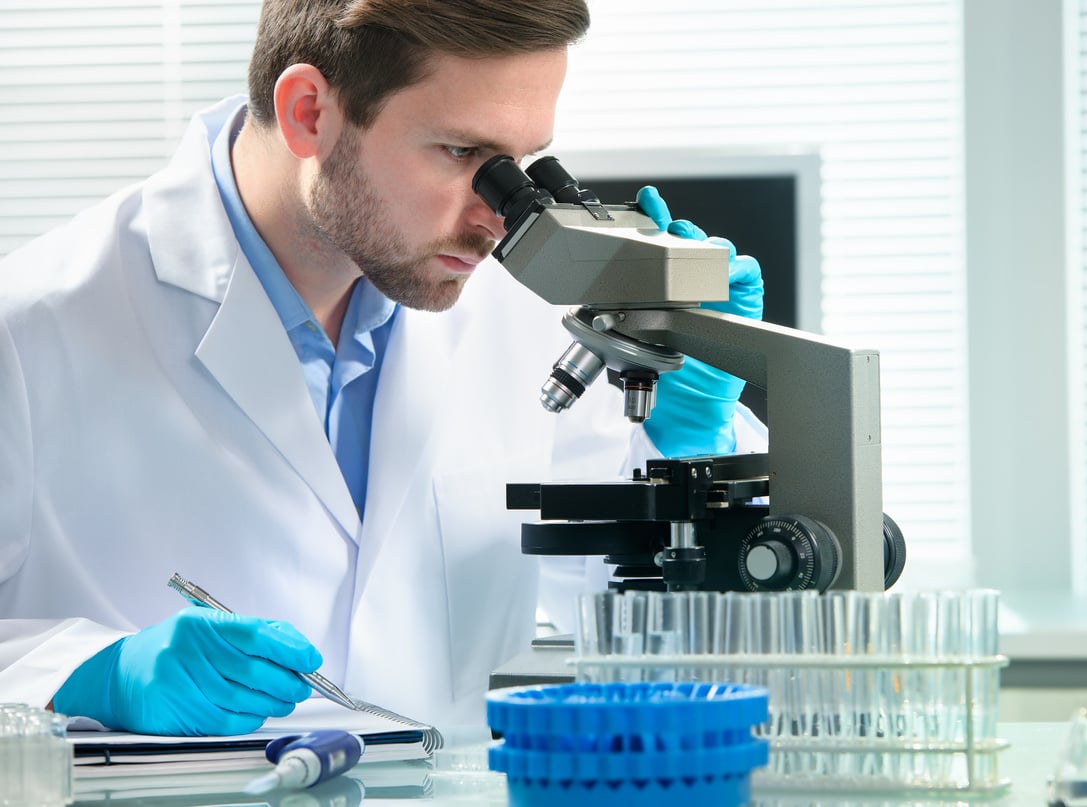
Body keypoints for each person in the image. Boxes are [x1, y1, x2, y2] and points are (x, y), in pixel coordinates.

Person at [0, 0, 765, 736]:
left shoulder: (525, 318)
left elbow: (637, 638)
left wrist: (685, 453)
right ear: (309, 112)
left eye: (521, 164)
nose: (500, 218)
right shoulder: (35, 325)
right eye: (464, 154)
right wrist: (89, 672)